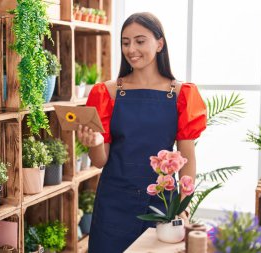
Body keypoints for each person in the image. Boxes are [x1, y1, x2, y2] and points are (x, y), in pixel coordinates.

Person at [77, 12, 207, 252]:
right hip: (113, 204)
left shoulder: (182, 95)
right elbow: (99, 161)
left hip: (162, 205)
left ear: (159, 43)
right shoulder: (106, 93)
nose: (131, 49)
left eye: (139, 41)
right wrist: (94, 141)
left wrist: (183, 208)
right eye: (125, 42)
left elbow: (187, 158)